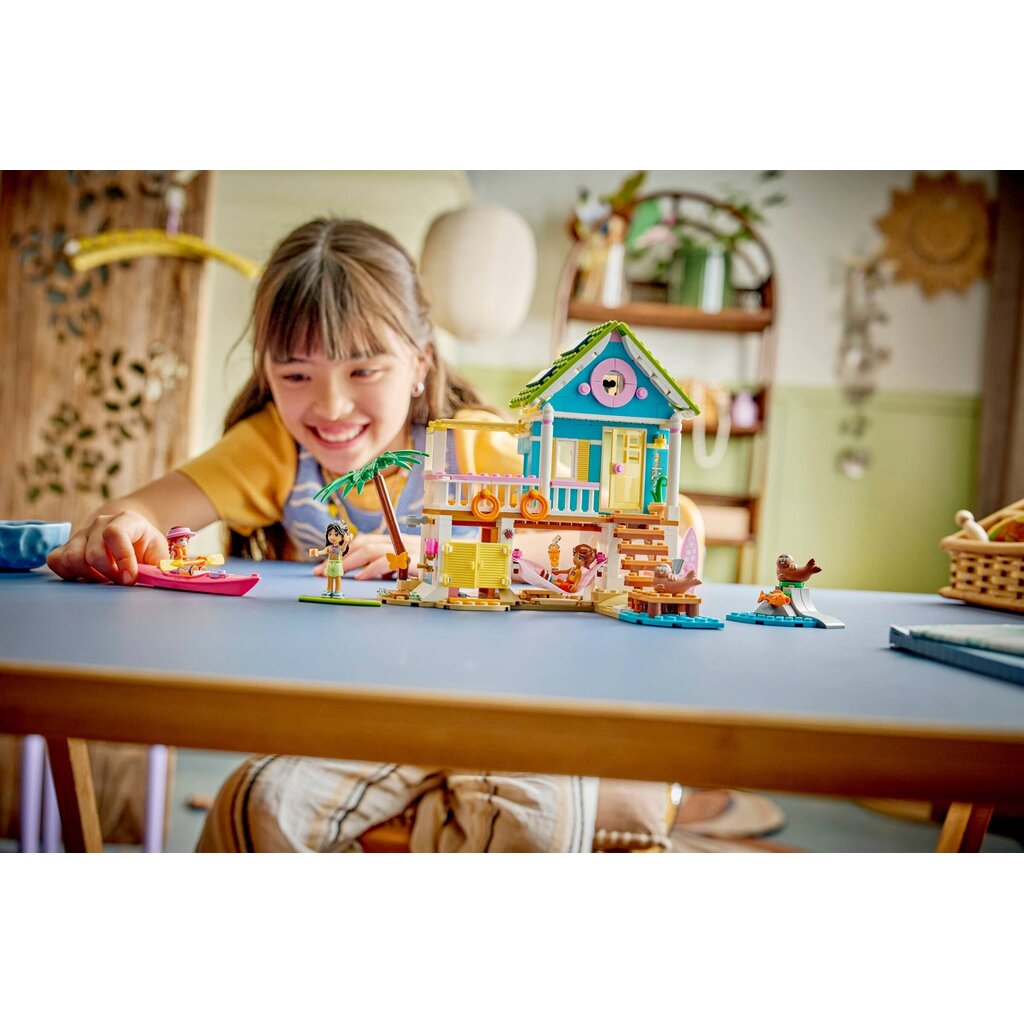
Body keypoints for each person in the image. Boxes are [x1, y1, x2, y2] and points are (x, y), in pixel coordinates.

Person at [47, 217, 601, 852]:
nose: (331, 406)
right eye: (296, 375)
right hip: (356, 723)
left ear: (419, 362)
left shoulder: (479, 445)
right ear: (265, 370)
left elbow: (582, 540)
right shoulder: (273, 450)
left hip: (506, 709)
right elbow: (136, 511)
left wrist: (429, 556)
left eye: (364, 371)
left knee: (532, 827)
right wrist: (118, 530)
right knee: (258, 807)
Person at [308, 520, 351, 597]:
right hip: (330, 564)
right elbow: (323, 551)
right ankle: (329, 589)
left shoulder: (340, 548)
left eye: (336, 534)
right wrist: (317, 553)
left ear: (343, 535)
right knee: (329, 577)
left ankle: (338, 591)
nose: (332, 537)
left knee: (337, 578)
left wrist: (346, 542)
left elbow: (343, 549)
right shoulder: (329, 547)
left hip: (337, 564)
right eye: (330, 534)